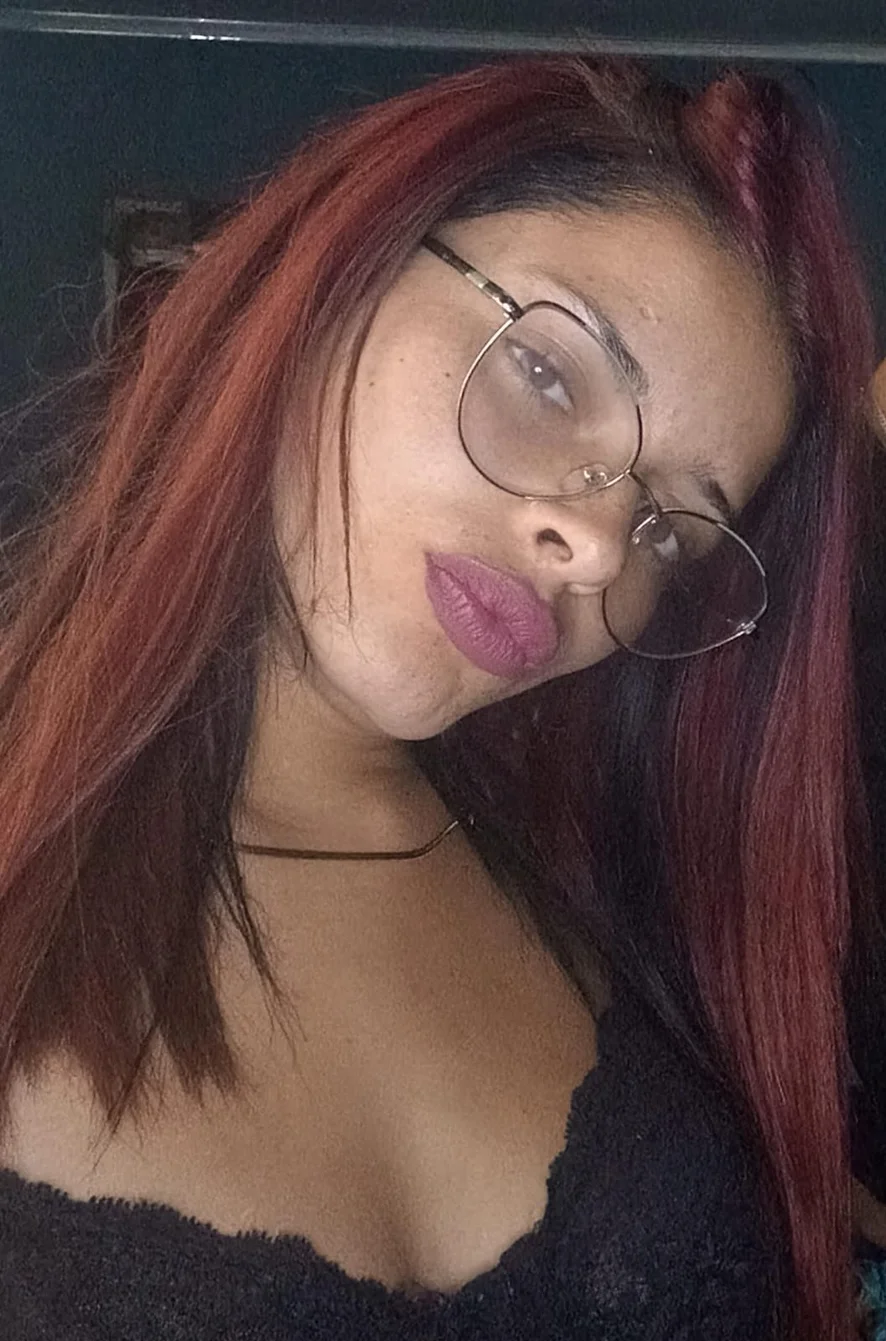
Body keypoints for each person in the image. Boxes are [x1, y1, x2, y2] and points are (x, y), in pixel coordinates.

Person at [0, 55, 876, 1341]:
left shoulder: (604, 878)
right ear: (333, 269)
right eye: (551, 376)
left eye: (670, 532)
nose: (596, 548)